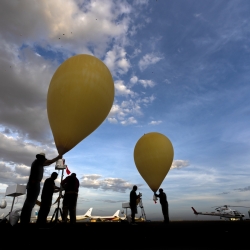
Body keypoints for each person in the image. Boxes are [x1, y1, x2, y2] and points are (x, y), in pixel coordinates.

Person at [20, 152, 62, 225]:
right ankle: (25, 221)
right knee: (30, 203)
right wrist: (58, 157)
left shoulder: (37, 163)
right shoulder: (38, 162)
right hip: (34, 184)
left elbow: (48, 163)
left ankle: (25, 221)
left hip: (34, 184)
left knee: (30, 203)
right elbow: (49, 162)